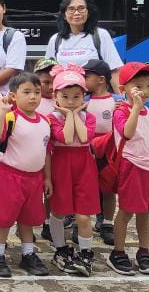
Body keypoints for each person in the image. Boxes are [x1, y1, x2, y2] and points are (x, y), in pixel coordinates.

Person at [0, 72, 52, 278]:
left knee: (28, 219)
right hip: (10, 176)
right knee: (4, 219)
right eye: (27, 92)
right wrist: (2, 111)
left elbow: (46, 151)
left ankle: (28, 254)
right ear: (13, 96)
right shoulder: (11, 117)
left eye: (37, 92)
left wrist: (47, 177)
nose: (33, 97)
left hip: (34, 178)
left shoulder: (44, 121)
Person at [45, 64, 99, 277]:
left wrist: (75, 114)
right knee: (58, 211)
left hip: (84, 167)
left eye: (76, 96)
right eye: (65, 96)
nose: (70, 101)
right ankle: (61, 249)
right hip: (61, 166)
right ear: (55, 96)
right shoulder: (51, 118)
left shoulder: (90, 117)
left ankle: (86, 253)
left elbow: (84, 138)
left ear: (84, 96)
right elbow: (67, 138)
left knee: (83, 216)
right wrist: (69, 115)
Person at [108, 62, 149, 276]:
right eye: (138, 86)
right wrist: (136, 108)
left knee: (144, 211)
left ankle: (143, 251)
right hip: (131, 166)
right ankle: (118, 252)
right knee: (127, 210)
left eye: (148, 86)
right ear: (123, 90)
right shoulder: (121, 111)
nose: (145, 91)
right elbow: (127, 134)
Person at [45, 0, 124, 85]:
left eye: (81, 8)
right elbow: (48, 73)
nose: (76, 13)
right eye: (71, 9)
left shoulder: (101, 35)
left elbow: (114, 70)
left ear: (88, 12)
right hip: (66, 96)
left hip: (94, 96)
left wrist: (121, 98)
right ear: (64, 15)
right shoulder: (55, 40)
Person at [83, 59, 120, 245]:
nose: (83, 80)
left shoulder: (116, 102)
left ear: (101, 79)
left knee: (108, 189)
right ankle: (82, 223)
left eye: (87, 76)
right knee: (85, 188)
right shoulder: (83, 101)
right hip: (87, 149)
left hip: (108, 151)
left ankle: (107, 223)